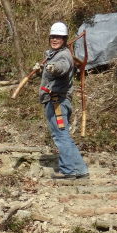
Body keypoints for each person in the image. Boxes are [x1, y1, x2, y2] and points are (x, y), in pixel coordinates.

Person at [38, 22, 89, 180]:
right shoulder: (54, 54)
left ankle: (68, 170)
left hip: (57, 103)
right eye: (53, 36)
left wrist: (53, 67)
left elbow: (63, 66)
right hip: (57, 101)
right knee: (64, 135)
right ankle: (80, 169)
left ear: (65, 39)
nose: (55, 39)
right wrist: (43, 68)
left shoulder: (63, 56)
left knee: (60, 137)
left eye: (59, 37)